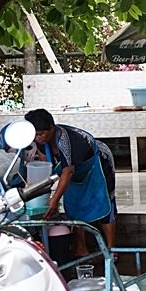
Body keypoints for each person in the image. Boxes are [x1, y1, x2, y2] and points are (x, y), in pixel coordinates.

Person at [24, 108, 117, 257]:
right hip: (74, 171)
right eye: (34, 134)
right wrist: (41, 196)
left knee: (105, 201)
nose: (37, 138)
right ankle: (81, 248)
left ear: (52, 128)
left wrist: (54, 200)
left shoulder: (66, 140)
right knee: (73, 206)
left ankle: (111, 250)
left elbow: (67, 172)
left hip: (97, 162)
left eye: (41, 133)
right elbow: (46, 168)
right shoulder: (41, 141)